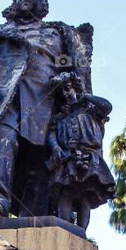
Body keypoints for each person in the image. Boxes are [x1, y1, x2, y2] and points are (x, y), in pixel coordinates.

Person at [0, 0, 94, 218]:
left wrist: (71, 87)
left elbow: (81, 78)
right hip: (4, 103)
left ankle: (36, 218)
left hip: (46, 106)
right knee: (3, 140)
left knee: (37, 167)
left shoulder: (60, 33)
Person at [46, 71, 115, 229]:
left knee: (85, 196)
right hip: (68, 157)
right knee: (66, 192)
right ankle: (64, 228)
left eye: (68, 88)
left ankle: (82, 231)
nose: (66, 93)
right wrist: (55, 147)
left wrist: (87, 97)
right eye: (62, 90)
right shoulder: (60, 117)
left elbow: (107, 107)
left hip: (89, 156)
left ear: (75, 88)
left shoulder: (90, 111)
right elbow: (51, 133)